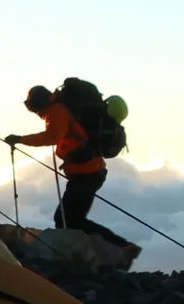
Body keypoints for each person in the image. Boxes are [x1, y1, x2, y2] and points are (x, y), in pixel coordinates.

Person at [6, 83, 122, 245]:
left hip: (87, 173)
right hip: (88, 172)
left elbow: (52, 137)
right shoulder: (58, 109)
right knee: (69, 219)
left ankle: (120, 246)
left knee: (67, 219)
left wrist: (20, 139)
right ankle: (114, 247)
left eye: (31, 104)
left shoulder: (56, 111)